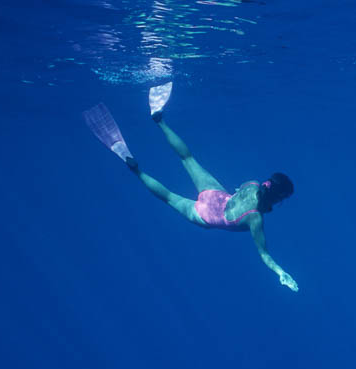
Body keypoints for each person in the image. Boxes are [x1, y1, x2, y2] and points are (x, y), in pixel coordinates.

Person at [83, 87, 299, 292]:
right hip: (205, 216)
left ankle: (160, 121)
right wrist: (281, 272)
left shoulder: (252, 183)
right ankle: (136, 170)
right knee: (168, 197)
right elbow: (264, 253)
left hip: (216, 195)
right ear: (279, 196)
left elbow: (239, 189)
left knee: (188, 158)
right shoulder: (255, 219)